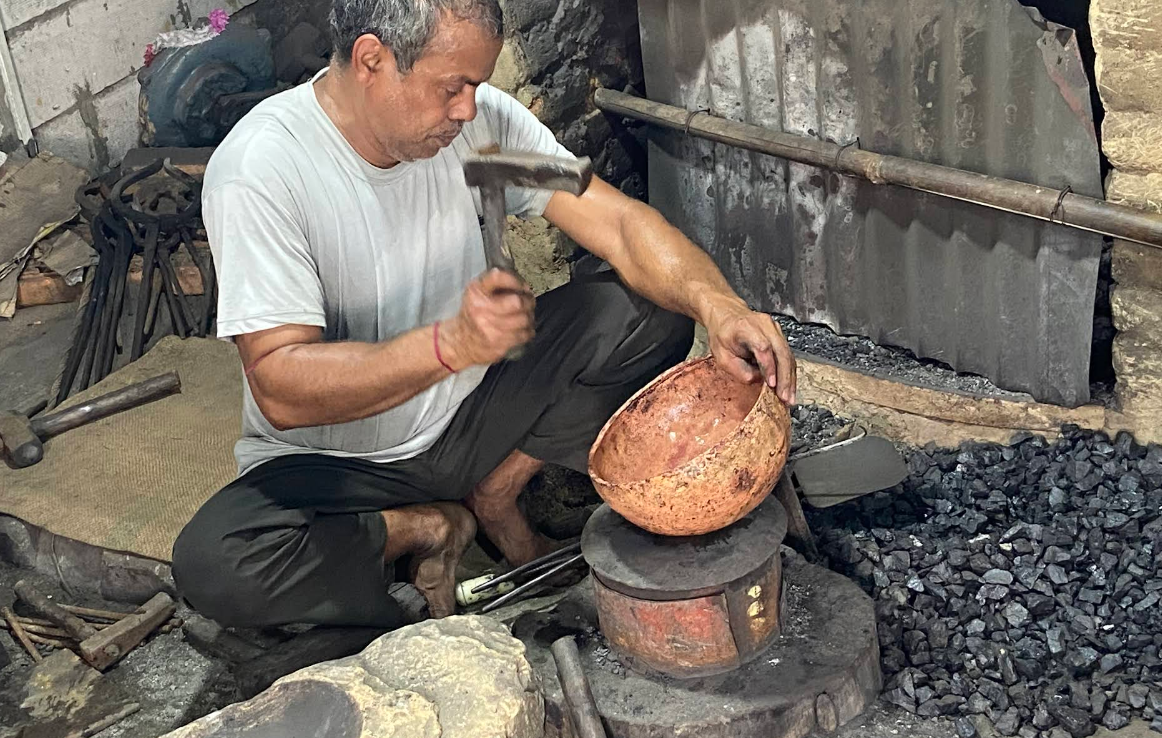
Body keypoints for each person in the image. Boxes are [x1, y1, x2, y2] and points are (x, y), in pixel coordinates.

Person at [171, 0, 797, 629]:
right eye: (453, 87)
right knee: (217, 564)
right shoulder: (263, 168)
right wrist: (449, 346)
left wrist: (721, 306)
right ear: (371, 59)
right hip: (337, 467)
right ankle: (418, 527)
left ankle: (494, 492)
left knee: (651, 310)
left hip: (472, 414)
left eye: (477, 86)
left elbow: (618, 223)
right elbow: (281, 385)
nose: (468, 108)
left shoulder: (477, 131)